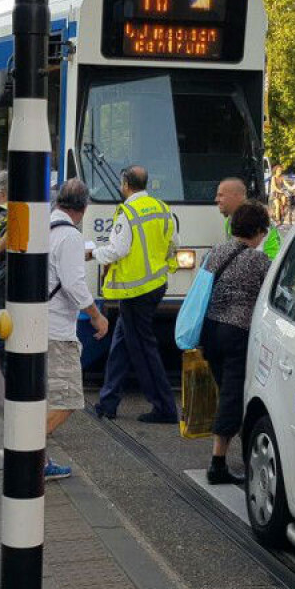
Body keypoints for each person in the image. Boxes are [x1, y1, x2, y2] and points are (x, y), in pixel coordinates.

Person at [92, 165, 178, 424]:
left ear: (125, 184)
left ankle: (165, 408)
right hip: (156, 286)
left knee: (142, 350)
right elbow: (173, 245)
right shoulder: (163, 209)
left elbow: (117, 250)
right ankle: (108, 402)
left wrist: (92, 253)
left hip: (136, 291)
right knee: (121, 343)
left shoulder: (127, 212)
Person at [200, 201, 273, 485]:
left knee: (227, 393)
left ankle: (228, 454)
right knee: (233, 396)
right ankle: (218, 464)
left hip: (210, 330)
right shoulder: (258, 260)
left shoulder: (216, 252)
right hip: (237, 332)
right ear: (257, 230)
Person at [45, 179, 109, 480]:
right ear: (83, 208)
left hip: (39, 324)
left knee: (43, 399)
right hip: (57, 329)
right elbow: (73, 284)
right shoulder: (69, 236)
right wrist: (96, 315)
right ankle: (26, 452)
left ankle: (35, 458)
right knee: (69, 400)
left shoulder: (44, 227)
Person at [214, 177, 281, 259]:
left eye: (221, 195)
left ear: (236, 196)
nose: (216, 199)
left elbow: (267, 258)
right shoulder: (229, 221)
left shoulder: (256, 219)